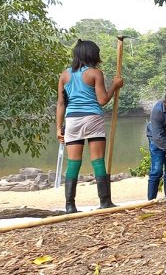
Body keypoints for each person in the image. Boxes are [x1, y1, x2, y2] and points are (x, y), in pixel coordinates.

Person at [56, 39, 124, 213]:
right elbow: (102, 100)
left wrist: (58, 127)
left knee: (73, 162)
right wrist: (115, 87)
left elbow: (61, 103)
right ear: (93, 55)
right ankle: (105, 201)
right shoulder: (95, 73)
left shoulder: (64, 75)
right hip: (92, 118)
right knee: (97, 159)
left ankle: (70, 205)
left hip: (72, 120)